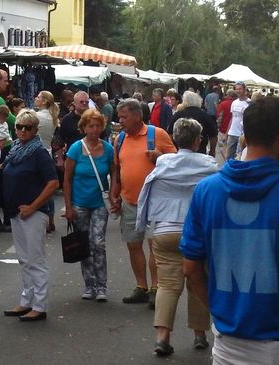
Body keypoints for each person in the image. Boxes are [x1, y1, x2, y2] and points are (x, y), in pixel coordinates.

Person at [181, 96, 279, 364]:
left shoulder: (206, 191)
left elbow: (191, 269)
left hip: (229, 341)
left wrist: (220, 311)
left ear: (245, 133)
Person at [136, 118, 216, 356]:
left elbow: (145, 196)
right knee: (198, 280)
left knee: (168, 285)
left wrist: (144, 224)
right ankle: (200, 334)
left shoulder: (163, 164)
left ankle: (162, 337)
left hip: (164, 231)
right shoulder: (209, 165)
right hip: (196, 233)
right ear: (197, 140)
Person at [0, 110, 59, 322]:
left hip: (33, 213)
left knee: (35, 259)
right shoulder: (18, 149)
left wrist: (33, 206)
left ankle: (39, 305)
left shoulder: (39, 153)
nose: (22, 131)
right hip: (16, 211)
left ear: (36, 130)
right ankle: (26, 301)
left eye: (28, 127)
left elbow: (53, 183)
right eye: (19, 127)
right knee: (24, 259)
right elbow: (2, 168)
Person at [110, 99, 177, 307]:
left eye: (124, 116)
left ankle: (156, 288)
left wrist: (160, 157)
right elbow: (116, 169)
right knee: (133, 245)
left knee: (154, 246)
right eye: (119, 117)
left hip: (154, 202)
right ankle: (141, 286)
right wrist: (115, 192)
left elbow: (176, 162)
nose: (120, 121)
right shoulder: (120, 139)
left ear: (137, 116)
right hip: (129, 200)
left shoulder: (156, 134)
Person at [63, 109, 116, 302]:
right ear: (83, 127)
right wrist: (68, 207)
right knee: (84, 244)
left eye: (98, 126)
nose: (94, 129)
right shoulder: (76, 148)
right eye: (91, 126)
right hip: (79, 203)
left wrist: (113, 192)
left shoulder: (108, 149)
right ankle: (89, 284)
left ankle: (102, 286)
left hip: (99, 203)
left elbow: (114, 173)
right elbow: (66, 180)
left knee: (98, 243)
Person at [35, 90, 61, 233]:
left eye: (38, 97)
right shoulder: (53, 117)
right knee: (49, 188)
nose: (35, 98)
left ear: (44, 101)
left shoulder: (36, 116)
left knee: (41, 188)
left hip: (37, 153)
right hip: (48, 152)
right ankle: (51, 218)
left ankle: (44, 217)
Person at [171, 91, 218, 156]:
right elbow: (213, 136)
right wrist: (212, 151)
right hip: (200, 152)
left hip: (180, 152)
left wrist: (172, 149)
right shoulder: (205, 116)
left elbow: (170, 133)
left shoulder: (178, 115)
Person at [226, 82, 250, 160]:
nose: (238, 91)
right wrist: (227, 131)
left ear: (244, 90)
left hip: (243, 134)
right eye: (236, 89)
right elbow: (232, 118)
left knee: (241, 157)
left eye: (240, 89)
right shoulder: (234, 102)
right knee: (229, 156)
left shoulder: (249, 103)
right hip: (232, 133)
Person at [216, 90, 235, 159]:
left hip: (223, 129)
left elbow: (219, 117)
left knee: (222, 147)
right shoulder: (235, 104)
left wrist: (218, 126)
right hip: (233, 130)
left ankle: (226, 160)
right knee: (231, 149)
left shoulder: (223, 104)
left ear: (228, 95)